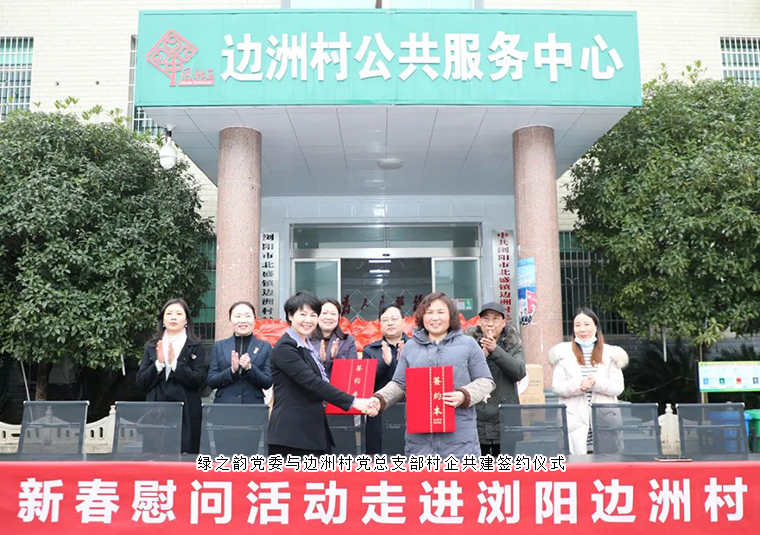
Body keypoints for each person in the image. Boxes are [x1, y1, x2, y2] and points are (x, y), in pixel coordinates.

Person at [368, 292, 495, 457]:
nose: (435, 318)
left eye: (441, 312)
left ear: (451, 316)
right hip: (420, 442)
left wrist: (464, 395)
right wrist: (379, 399)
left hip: (459, 439)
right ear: (422, 316)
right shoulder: (410, 347)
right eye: (429, 312)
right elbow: (399, 384)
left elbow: (486, 381)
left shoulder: (468, 344)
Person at [267, 291, 373, 456]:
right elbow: (312, 382)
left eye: (313, 315)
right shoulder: (285, 347)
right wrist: (353, 402)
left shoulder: (306, 346)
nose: (308, 320)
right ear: (290, 315)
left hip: (311, 431)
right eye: (303, 314)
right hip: (292, 435)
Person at [548, 307, 628, 455]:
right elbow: (557, 386)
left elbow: (618, 387)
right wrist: (579, 385)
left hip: (605, 418)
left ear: (596, 327)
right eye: (577, 325)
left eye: (587, 324)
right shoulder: (563, 353)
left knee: (605, 463)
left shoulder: (610, 353)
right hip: (573, 418)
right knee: (577, 462)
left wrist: (596, 383)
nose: (582, 329)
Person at [136, 298, 207, 454]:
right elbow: (141, 382)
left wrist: (175, 363)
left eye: (178, 314)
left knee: (185, 457)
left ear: (186, 320)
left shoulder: (195, 346)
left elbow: (199, 380)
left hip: (187, 410)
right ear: (162, 319)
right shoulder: (152, 346)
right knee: (155, 459)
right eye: (169, 314)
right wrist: (159, 364)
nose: (173, 317)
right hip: (156, 412)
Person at [466, 301, 526, 457]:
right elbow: (462, 374)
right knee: (479, 467)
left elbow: (519, 372)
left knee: (506, 468)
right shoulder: (468, 344)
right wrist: (482, 356)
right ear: (480, 322)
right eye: (486, 319)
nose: (490, 324)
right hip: (478, 418)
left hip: (505, 419)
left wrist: (495, 350)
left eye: (495, 319)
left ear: (504, 323)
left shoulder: (513, 344)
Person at [361, 303, 409, 455]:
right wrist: (385, 364)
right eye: (385, 320)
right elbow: (367, 383)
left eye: (394, 319)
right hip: (379, 411)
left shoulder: (415, 347)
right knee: (377, 457)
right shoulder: (370, 350)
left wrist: (400, 362)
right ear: (380, 325)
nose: (390, 323)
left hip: (408, 411)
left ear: (403, 322)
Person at [207, 301, 272, 404]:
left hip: (253, 405)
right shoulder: (219, 346)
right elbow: (211, 381)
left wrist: (250, 368)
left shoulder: (265, 347)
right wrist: (231, 371)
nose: (243, 320)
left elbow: (268, 382)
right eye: (238, 316)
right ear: (230, 320)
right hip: (225, 405)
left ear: (255, 319)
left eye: (247, 316)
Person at [311, 297, 358, 377]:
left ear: (339, 317)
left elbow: (353, 371)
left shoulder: (348, 340)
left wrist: (336, 357)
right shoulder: (306, 340)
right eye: (324, 313)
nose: (329, 317)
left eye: (333, 314)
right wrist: (320, 360)